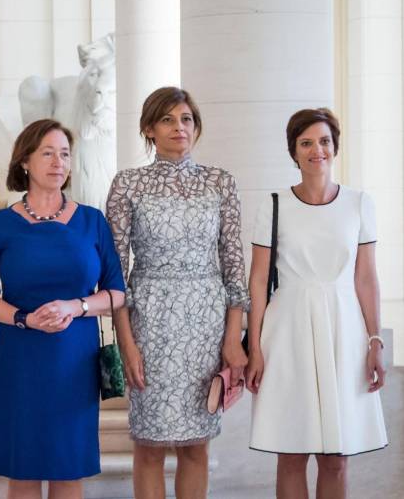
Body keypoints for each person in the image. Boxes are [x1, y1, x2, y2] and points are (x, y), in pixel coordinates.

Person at [105, 87, 249, 499]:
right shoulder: (128, 185)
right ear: (149, 129)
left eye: (186, 119)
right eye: (167, 119)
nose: (178, 127)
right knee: (148, 445)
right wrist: (126, 345)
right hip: (149, 321)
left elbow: (234, 266)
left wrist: (233, 338)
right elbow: (116, 275)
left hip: (206, 320)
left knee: (196, 444)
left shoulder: (220, 182)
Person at [0, 119, 125, 499]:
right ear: (24, 160)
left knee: (67, 467)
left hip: (74, 358)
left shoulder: (93, 220)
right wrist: (24, 318)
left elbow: (117, 293)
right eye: (47, 153)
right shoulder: (0, 224)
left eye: (64, 154)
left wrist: (76, 306)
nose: (58, 162)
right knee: (22, 470)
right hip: (20, 357)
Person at [245, 108, 387, 499]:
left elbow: (366, 278)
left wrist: (375, 340)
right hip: (287, 330)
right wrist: (254, 348)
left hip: (344, 330)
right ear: (293, 151)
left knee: (336, 458)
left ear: (334, 147)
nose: (316, 150)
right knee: (291, 453)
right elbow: (257, 282)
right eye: (306, 143)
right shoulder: (273, 204)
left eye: (324, 141)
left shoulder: (360, 203)